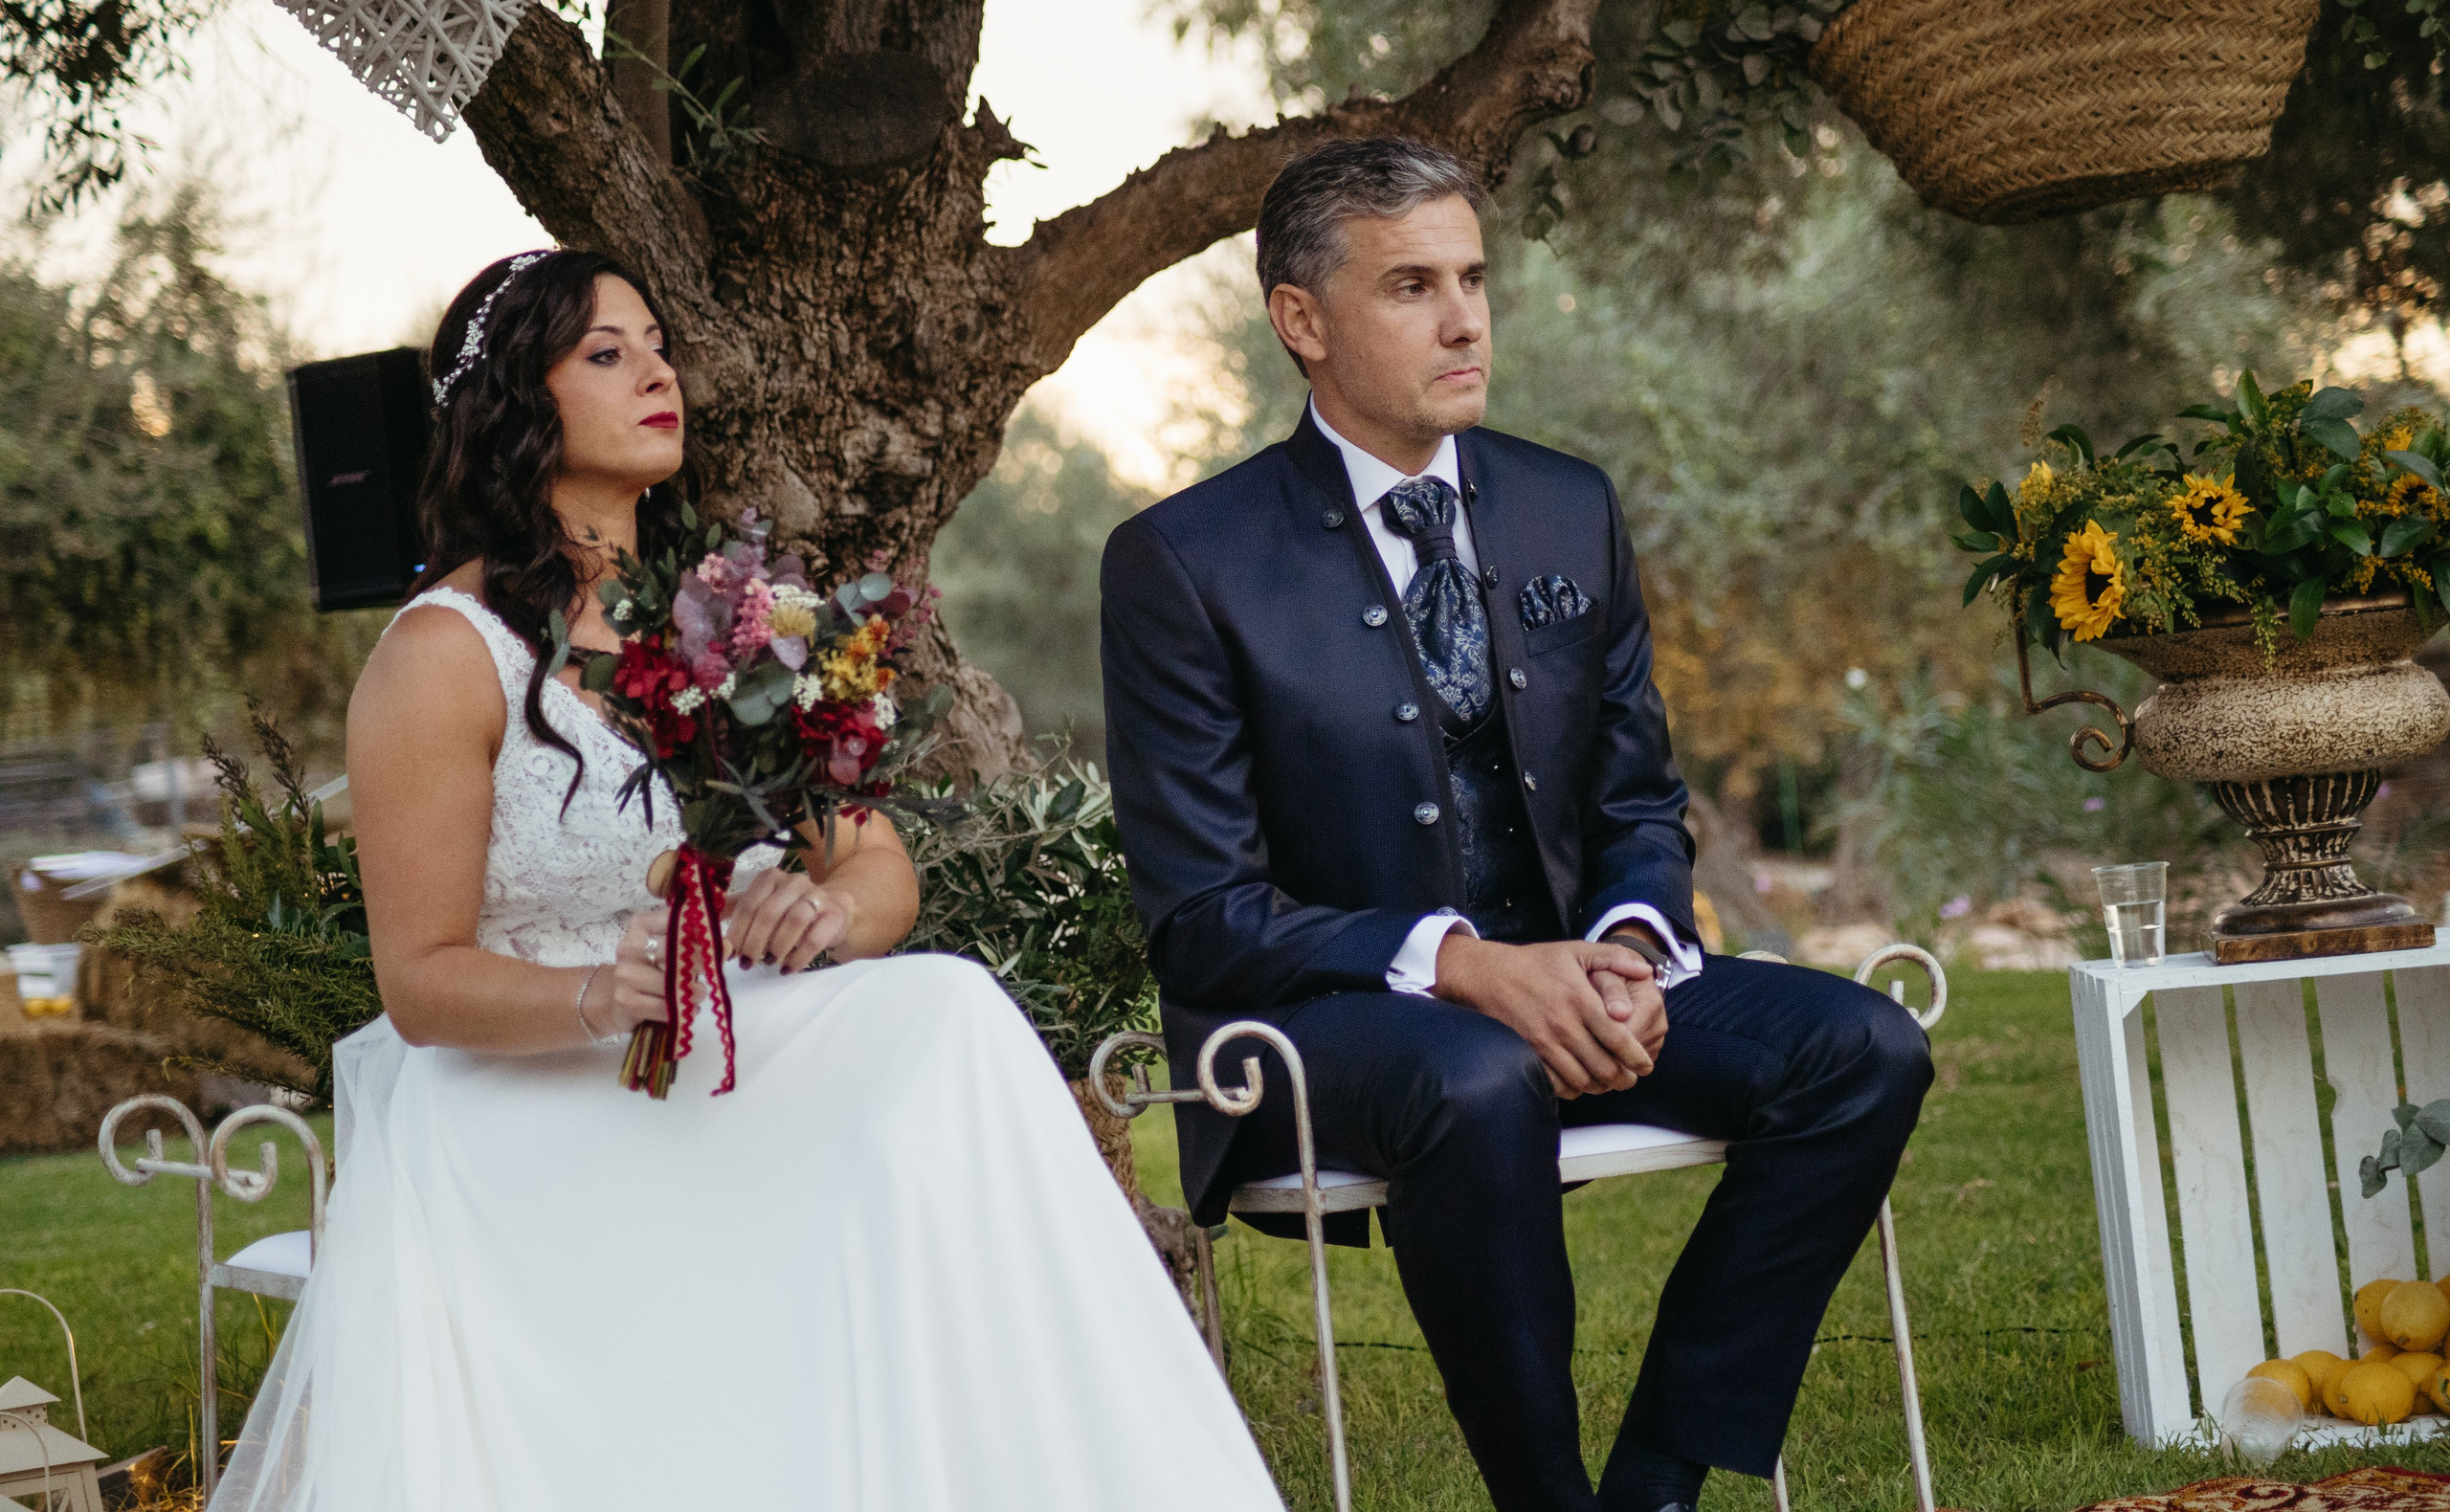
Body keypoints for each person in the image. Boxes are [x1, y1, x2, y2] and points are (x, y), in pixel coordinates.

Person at [212, 249, 1282, 1512]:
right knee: (935, 1036)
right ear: (517, 403)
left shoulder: (745, 614)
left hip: (733, 1040)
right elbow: (420, 981)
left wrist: (829, 912)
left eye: (658, 342)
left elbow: (878, 868)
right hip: (536, 1089)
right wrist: (601, 1001)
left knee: (946, 1015)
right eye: (607, 352)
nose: (656, 369)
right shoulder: (445, 657)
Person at [1099, 138, 1934, 1512]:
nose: (1466, 317)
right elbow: (1204, 923)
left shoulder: (1566, 505)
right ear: (1301, 321)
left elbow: (1634, 799)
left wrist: (1626, 939)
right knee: (1477, 1079)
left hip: (1569, 990)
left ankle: (1657, 1483)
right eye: (1412, 285)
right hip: (1320, 1029)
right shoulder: (1186, 563)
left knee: (1863, 1050)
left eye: (1474, 278)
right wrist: (1471, 968)